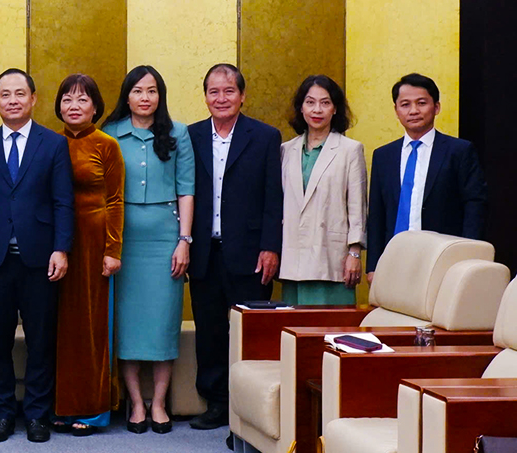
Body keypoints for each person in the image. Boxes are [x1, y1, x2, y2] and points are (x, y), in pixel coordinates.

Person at [0, 68, 73, 444]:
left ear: (33, 99)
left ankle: (38, 416)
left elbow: (63, 201)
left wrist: (61, 248)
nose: (12, 100)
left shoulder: (53, 144)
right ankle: (2, 415)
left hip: (40, 259)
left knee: (41, 341)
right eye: (5, 94)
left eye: (19, 93)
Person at [187, 63, 282, 431]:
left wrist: (271, 246)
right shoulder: (191, 136)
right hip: (204, 251)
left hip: (250, 251)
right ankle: (215, 404)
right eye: (214, 91)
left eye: (229, 91)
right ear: (205, 96)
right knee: (210, 331)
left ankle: (250, 409)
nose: (221, 98)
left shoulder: (264, 136)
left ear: (242, 95)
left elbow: (274, 196)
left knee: (250, 334)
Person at [100, 65, 194, 435]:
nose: (144, 97)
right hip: (121, 241)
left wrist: (184, 241)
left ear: (160, 96)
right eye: (138, 91)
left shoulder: (178, 133)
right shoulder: (109, 134)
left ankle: (158, 403)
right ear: (127, 96)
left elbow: (187, 189)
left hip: (165, 240)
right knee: (127, 324)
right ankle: (135, 403)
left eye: (152, 91)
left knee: (162, 324)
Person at [50, 73, 124, 436]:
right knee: (59, 326)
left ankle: (92, 408)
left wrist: (113, 249)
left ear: (95, 106)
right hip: (53, 243)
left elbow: (115, 199)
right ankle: (60, 405)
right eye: (67, 99)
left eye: (82, 99)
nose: (73, 106)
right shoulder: (48, 142)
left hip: (94, 242)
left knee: (91, 327)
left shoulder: (106, 144)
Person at [365, 73, 486, 279]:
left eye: (421, 103)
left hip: (442, 258)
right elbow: (377, 212)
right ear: (396, 110)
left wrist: (468, 255)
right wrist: (373, 265)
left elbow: (475, 204)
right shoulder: (384, 155)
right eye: (405, 104)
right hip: (394, 258)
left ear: (436, 107)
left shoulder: (459, 151)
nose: (413, 111)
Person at [279, 75, 366, 305]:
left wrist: (354, 253)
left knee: (331, 334)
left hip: (332, 259)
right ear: (301, 108)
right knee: (294, 335)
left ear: (335, 109)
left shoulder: (350, 150)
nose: (317, 110)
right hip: (293, 259)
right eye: (310, 102)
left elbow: (357, 207)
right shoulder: (286, 150)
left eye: (325, 103)